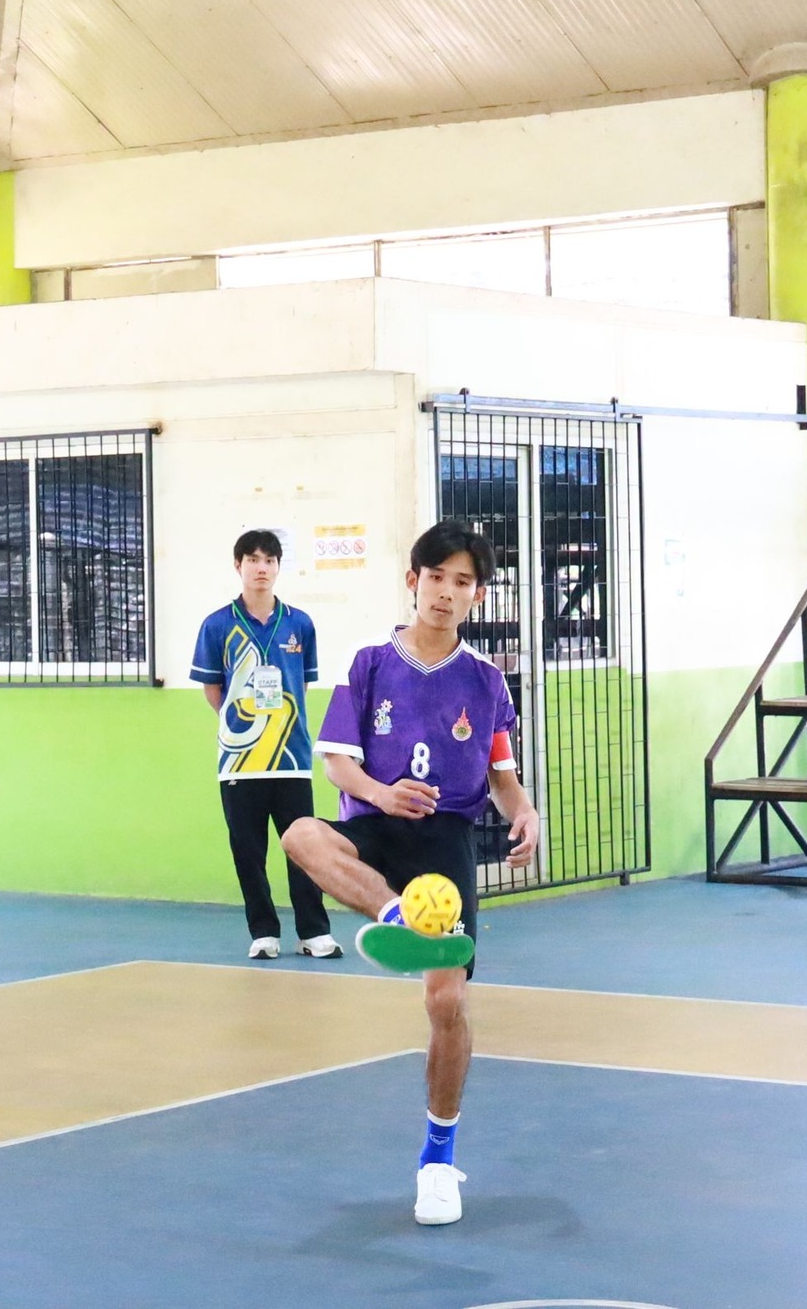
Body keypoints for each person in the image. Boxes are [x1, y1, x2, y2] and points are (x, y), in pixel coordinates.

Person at [281, 520, 539, 1227]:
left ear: (477, 595)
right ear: (413, 581)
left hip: (446, 842)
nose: (446, 592)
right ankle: (397, 916)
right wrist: (381, 793)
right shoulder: (370, 663)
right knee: (300, 834)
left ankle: (437, 1162)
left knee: (446, 1004)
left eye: (463, 582)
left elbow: (502, 775)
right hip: (376, 823)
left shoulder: (486, 681)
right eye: (436, 577)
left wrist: (526, 813)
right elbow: (337, 762)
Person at [190, 529, 338, 961]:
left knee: (305, 848)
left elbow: (302, 685)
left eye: (269, 560)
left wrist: (277, 727)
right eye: (253, 560)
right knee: (248, 852)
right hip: (239, 761)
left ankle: (314, 932)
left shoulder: (299, 623)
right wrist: (241, 726)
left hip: (291, 759)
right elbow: (213, 691)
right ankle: (264, 932)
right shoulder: (217, 625)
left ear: (278, 567)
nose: (261, 568)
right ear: (238, 566)